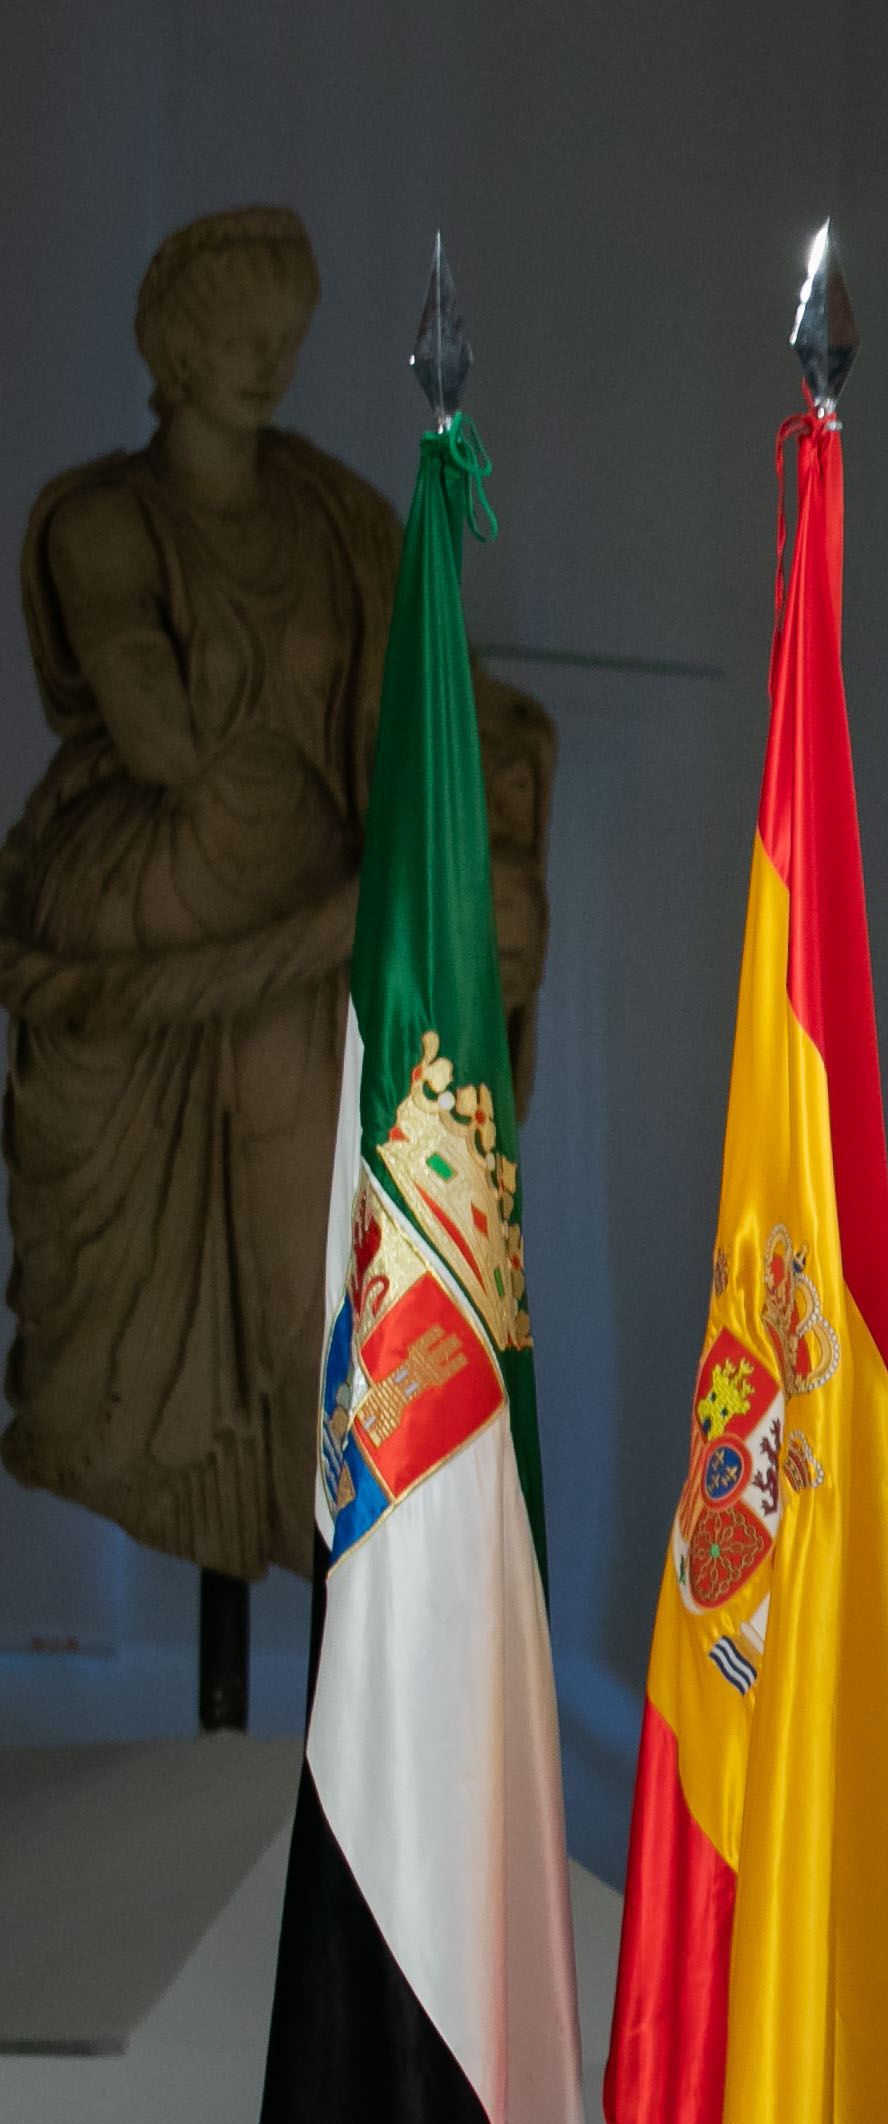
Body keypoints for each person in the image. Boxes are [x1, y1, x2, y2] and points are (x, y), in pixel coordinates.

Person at [0, 206, 550, 1582]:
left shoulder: (331, 508)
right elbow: (166, 745)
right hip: (167, 921)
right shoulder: (104, 522)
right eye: (237, 338)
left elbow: (419, 694)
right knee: (117, 1337)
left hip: (312, 941)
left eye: (284, 339)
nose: (265, 363)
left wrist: (497, 764)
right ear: (173, 350)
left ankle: (299, 1502)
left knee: (314, 1267)